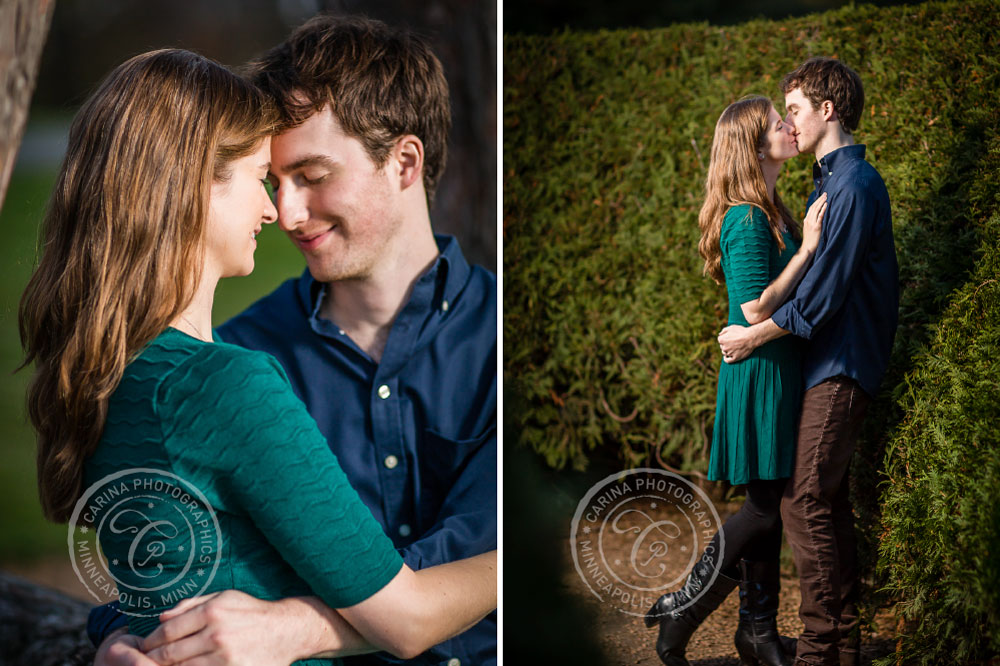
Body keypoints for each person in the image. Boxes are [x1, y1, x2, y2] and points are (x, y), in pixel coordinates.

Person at [19, 48, 496, 666]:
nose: (283, 213)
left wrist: (299, 628)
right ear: (190, 190)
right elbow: (403, 616)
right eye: (266, 179)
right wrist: (122, 631)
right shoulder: (237, 366)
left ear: (404, 162)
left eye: (313, 176)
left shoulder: (504, 340)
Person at [718, 58, 899, 666]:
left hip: (839, 366)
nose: (789, 124)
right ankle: (840, 645)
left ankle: (820, 649)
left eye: (793, 110)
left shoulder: (852, 187)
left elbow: (820, 299)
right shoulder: (825, 186)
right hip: (822, 366)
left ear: (828, 110)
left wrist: (754, 336)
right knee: (825, 503)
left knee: (803, 503)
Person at [644, 95, 827, 666]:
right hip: (758, 373)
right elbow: (751, 311)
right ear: (754, 145)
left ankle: (757, 632)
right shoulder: (747, 218)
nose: (789, 128)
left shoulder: (770, 209)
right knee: (763, 509)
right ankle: (685, 607)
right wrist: (811, 250)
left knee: (765, 503)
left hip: (777, 368)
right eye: (779, 124)